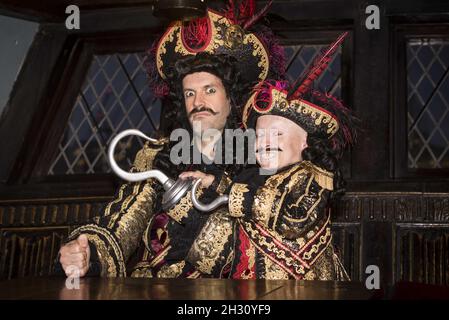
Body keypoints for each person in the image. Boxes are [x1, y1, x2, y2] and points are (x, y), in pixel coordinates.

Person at [56, 4, 285, 278]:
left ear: (231, 98)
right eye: (189, 94)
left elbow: (267, 251)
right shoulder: (158, 156)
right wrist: (87, 252)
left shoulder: (262, 157)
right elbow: (123, 221)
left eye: (209, 90)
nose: (198, 102)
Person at [183, 33, 358, 280]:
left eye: (275, 134)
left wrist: (231, 195)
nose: (264, 142)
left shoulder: (314, 177)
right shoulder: (263, 178)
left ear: (305, 142)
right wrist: (215, 184)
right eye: (260, 134)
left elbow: (294, 218)